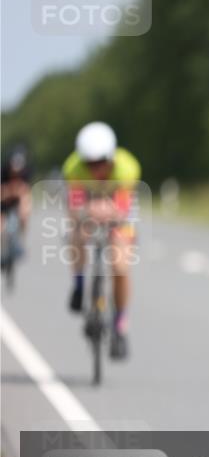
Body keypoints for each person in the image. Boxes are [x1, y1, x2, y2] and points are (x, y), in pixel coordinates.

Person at [63, 122, 142, 360]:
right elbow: (74, 208)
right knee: (76, 234)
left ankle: (120, 325)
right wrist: (88, 213)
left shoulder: (127, 167)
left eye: (101, 163)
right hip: (88, 209)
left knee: (120, 266)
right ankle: (78, 285)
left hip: (117, 212)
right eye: (90, 164)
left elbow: (123, 209)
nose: (96, 169)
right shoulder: (74, 168)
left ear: (112, 158)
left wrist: (107, 212)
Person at [1, 144, 33, 265]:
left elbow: (25, 191)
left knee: (25, 211)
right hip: (3, 202)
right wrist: (10, 191)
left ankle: (20, 241)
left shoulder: (26, 172)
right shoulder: (2, 171)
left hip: (18, 201)